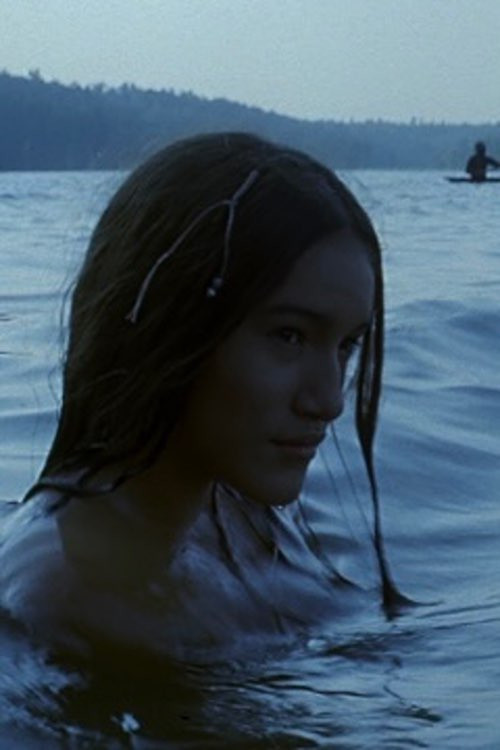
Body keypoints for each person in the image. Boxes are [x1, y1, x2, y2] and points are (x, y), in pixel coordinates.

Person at [0, 132, 406, 663]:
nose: (329, 400)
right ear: (167, 324)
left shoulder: (234, 514)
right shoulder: (81, 602)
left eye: (347, 344)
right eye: (289, 335)